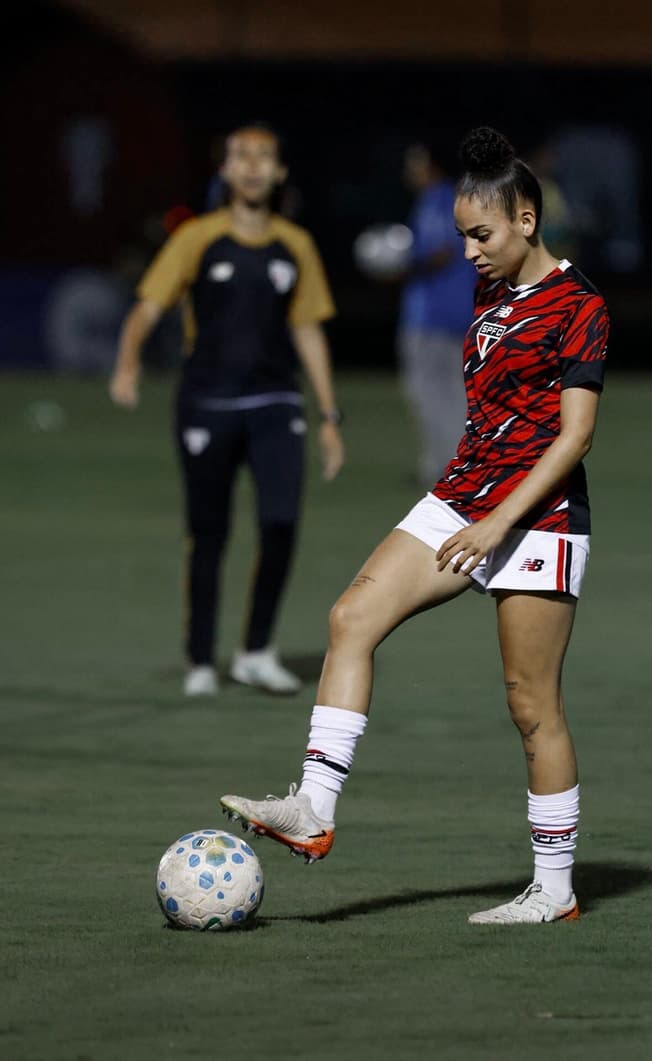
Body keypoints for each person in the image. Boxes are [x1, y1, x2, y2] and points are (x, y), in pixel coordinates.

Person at [221, 126, 609, 924]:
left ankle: (554, 888)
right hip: (464, 496)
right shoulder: (489, 294)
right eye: (462, 234)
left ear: (526, 219)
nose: (467, 251)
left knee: (531, 703)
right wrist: (471, 501)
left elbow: (574, 436)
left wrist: (500, 520)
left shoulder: (582, 305)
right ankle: (316, 809)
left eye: (481, 234)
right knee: (350, 617)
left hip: (539, 517)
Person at [109, 122, 345, 697]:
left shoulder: (296, 245)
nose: (253, 165)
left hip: (275, 401)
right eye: (241, 155)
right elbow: (147, 305)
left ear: (280, 172)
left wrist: (330, 418)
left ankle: (256, 650)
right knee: (209, 534)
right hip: (206, 403)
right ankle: (199, 661)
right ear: (226, 169)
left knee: (281, 524)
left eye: (264, 156)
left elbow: (309, 329)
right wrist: (128, 363)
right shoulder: (197, 237)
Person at [397, 139, 477, 485]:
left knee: (426, 391)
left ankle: (445, 466)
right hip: (464, 310)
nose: (409, 170)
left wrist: (400, 265)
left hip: (433, 315)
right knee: (457, 394)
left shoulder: (438, 200)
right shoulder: (463, 198)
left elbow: (441, 251)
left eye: (414, 162)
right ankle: (460, 464)